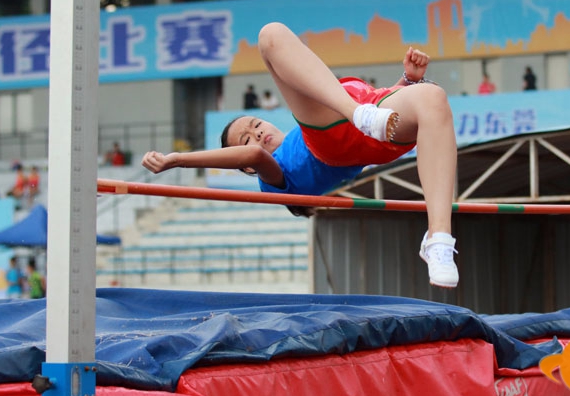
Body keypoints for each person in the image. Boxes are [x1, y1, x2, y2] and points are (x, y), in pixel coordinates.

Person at [143, 22, 460, 288]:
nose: (258, 135)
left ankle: (439, 237)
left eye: (256, 125)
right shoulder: (275, 175)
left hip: (375, 116)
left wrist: (405, 82)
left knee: (432, 97)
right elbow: (254, 154)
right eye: (248, 138)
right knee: (271, 35)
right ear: (248, 168)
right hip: (339, 135)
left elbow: (383, 118)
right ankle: (355, 113)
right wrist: (177, 159)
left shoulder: (314, 120)